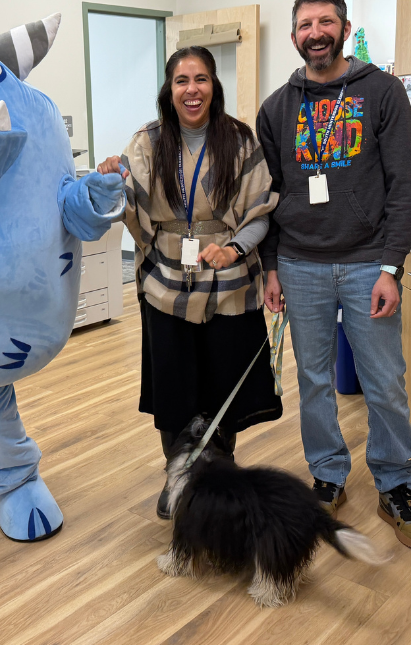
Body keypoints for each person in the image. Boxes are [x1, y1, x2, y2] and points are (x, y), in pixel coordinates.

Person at [257, 0, 411, 551]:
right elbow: (267, 196)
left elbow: (403, 185)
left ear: (343, 28)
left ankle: (395, 485)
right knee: (313, 382)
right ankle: (328, 474)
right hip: (299, 264)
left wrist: (391, 266)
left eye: (326, 22)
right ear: (294, 37)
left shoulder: (381, 93)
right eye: (306, 24)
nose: (316, 33)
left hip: (366, 265)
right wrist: (270, 268)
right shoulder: (276, 107)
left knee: (385, 382)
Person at [98, 46, 281, 519]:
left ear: (213, 85)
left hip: (229, 281)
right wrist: (111, 180)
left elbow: (260, 214)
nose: (192, 90)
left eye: (200, 79)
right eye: (182, 81)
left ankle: (219, 480)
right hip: (166, 285)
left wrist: (234, 248)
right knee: (175, 389)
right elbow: (128, 205)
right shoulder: (147, 142)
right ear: (170, 88)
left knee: (224, 385)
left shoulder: (240, 141)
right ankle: (178, 478)